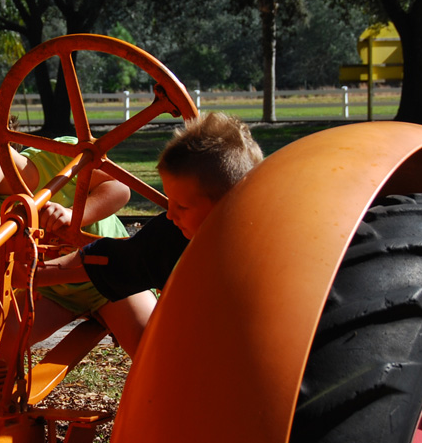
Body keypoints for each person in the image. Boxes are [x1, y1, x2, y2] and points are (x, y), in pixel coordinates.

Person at [0, 102, 157, 356]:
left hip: (113, 275)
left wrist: (74, 215)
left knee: (151, 352)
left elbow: (119, 188)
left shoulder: (58, 155)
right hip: (52, 292)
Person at [33, 111, 264, 304]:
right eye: (169, 201)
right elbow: (105, 260)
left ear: (229, 204)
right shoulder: (168, 239)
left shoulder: (264, 247)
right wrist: (28, 275)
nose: (170, 214)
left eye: (182, 206)